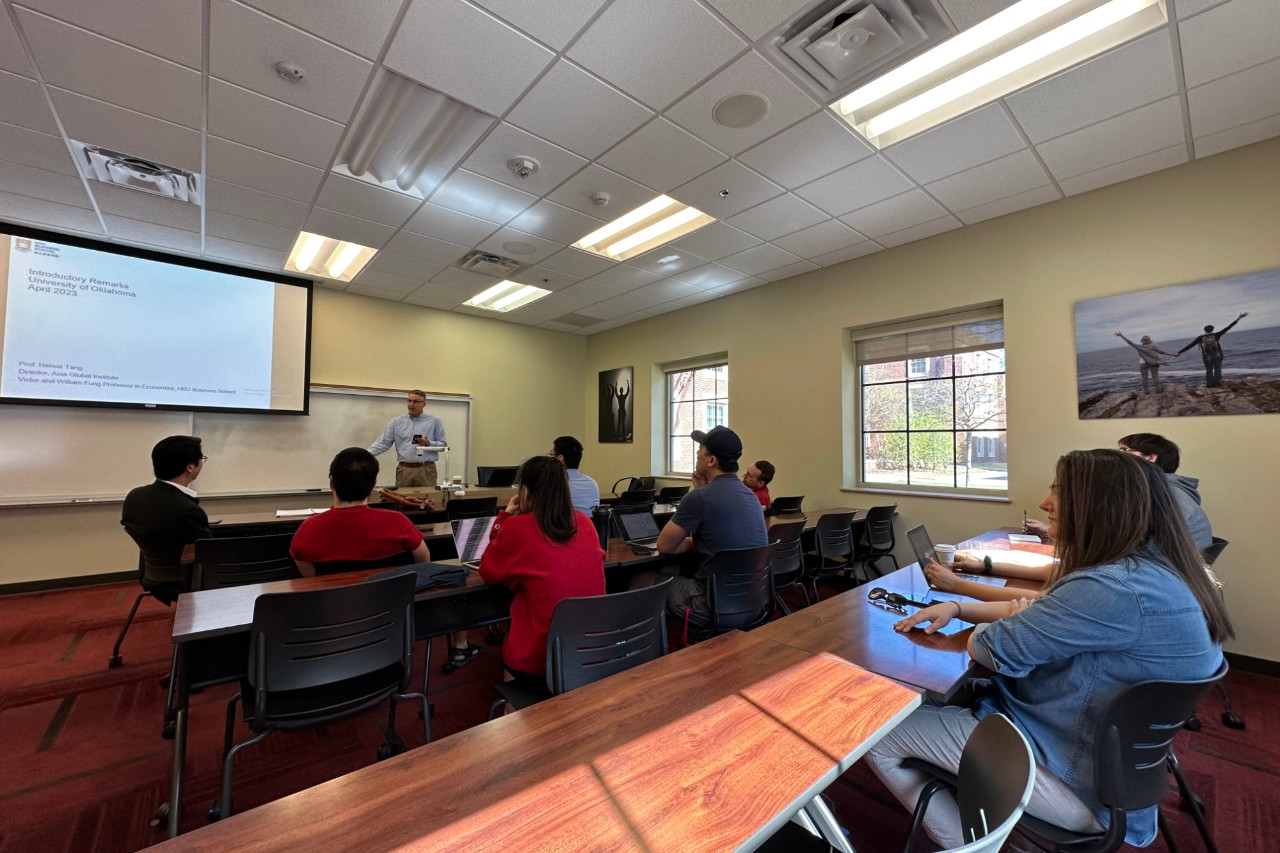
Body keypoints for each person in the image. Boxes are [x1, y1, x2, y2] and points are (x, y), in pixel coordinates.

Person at [868, 449, 1232, 850]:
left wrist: (1001, 621)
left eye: (1058, 491)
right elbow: (1034, 612)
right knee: (951, 694)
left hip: (1073, 778)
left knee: (874, 733)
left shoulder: (1111, 588)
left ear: (1100, 505)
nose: (1045, 503)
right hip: (1114, 772)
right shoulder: (1160, 572)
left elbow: (989, 648)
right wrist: (963, 607)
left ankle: (974, 846)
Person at [290, 448, 478, 665]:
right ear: (374, 483)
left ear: (331, 481)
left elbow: (310, 579)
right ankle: (461, 645)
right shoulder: (397, 522)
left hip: (333, 625)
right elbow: (423, 561)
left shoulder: (308, 529)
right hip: (393, 620)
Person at [478, 455, 605, 688]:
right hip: (591, 649)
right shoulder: (584, 523)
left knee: (517, 637)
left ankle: (512, 705)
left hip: (541, 656)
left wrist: (504, 517)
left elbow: (488, 571)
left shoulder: (516, 527)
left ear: (525, 492)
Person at [646, 426, 768, 622]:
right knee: (668, 571)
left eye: (700, 449)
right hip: (752, 601)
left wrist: (700, 493)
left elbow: (665, 546)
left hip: (711, 605)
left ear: (711, 460)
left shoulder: (699, 498)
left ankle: (640, 641)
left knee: (639, 579)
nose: (696, 453)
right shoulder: (750, 496)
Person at [1022, 433, 1211, 549]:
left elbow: (1127, 551)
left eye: (1124, 451)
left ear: (1150, 458)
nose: (1118, 457)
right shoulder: (1162, 491)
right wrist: (1052, 530)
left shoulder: (1165, 497)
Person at [120, 435, 211, 600]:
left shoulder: (135, 497)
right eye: (202, 458)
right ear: (190, 467)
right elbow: (210, 555)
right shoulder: (187, 510)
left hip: (153, 575)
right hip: (186, 580)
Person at [367, 389, 447, 489]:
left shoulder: (434, 421)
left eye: (415, 401)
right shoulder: (396, 422)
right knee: (401, 498)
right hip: (404, 469)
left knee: (427, 498)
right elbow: (383, 443)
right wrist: (364, 454)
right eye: (409, 401)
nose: (411, 404)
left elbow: (443, 445)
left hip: (426, 469)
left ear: (424, 404)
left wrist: (428, 443)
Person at [1177, 312, 1248, 388]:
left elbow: (1190, 345)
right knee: (1217, 369)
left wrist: (1179, 352)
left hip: (1207, 357)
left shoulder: (1200, 338)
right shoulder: (1216, 335)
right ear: (1212, 329)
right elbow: (1228, 327)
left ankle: (1209, 385)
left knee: (1209, 370)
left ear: (1204, 330)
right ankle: (1217, 383)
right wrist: (1239, 318)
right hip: (1217, 355)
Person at [1114, 331, 1178, 393]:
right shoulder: (1152, 346)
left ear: (1142, 341)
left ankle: (1146, 391)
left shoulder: (1139, 347)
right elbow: (1162, 352)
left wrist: (1121, 335)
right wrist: (1173, 354)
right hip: (1153, 363)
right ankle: (1158, 390)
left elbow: (1129, 342)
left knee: (1144, 378)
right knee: (1155, 377)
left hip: (1142, 363)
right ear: (1149, 340)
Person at [550, 435, 599, 514]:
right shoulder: (592, 482)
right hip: (590, 522)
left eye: (551, 455)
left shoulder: (555, 484)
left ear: (560, 458)